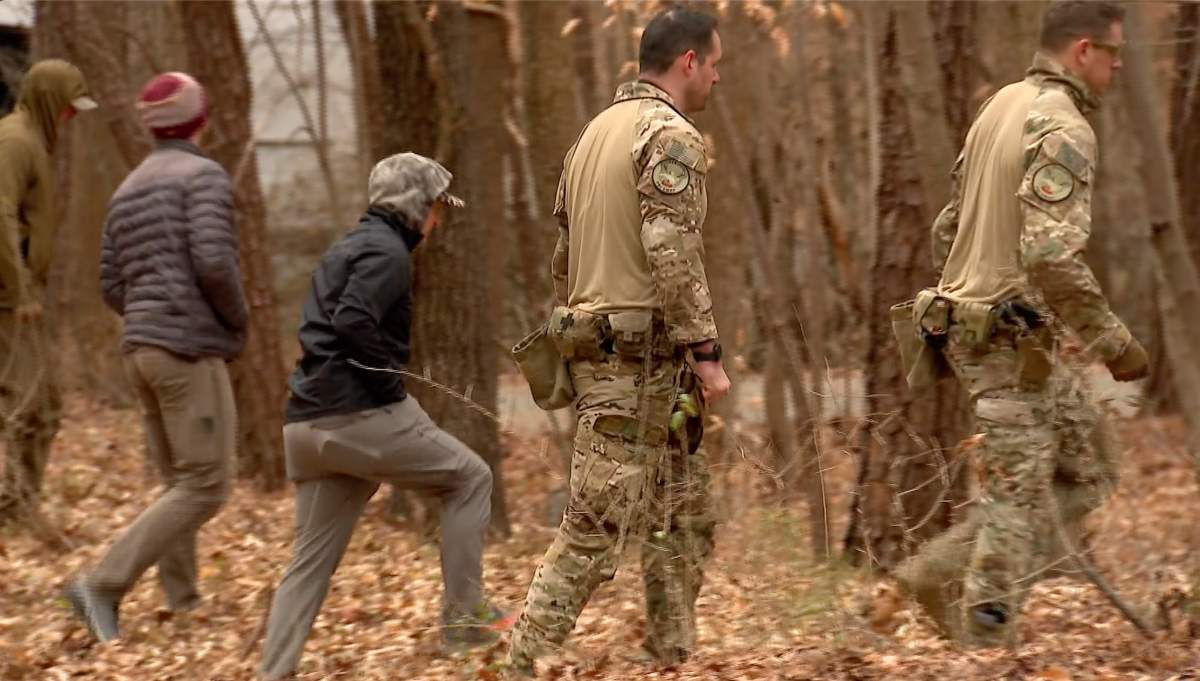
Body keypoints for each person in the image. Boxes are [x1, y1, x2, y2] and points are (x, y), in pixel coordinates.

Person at [893, 0, 1145, 647]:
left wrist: (975, 288)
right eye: (1114, 53)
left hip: (996, 333)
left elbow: (947, 226)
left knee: (1092, 466)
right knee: (1019, 498)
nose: (1119, 66)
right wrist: (1115, 344)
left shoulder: (1000, 104)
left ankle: (938, 572)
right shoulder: (1063, 126)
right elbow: (1051, 255)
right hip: (1003, 337)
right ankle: (984, 645)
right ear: (1083, 50)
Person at [506, 7, 731, 674]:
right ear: (687, 61)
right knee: (593, 531)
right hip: (639, 368)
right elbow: (671, 251)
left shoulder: (592, 136)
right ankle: (517, 665)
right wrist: (707, 352)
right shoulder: (669, 135)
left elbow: (563, 261)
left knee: (685, 517)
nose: (717, 78)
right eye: (714, 63)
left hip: (620, 359)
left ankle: (669, 658)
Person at [259, 152, 506, 681]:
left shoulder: (346, 247)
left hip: (306, 425)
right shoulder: (388, 253)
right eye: (436, 208)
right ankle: (464, 624)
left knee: (307, 566)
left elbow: (332, 322)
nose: (438, 221)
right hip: (358, 415)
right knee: (471, 478)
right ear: (415, 207)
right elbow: (352, 323)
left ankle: (271, 674)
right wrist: (389, 389)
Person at [65, 72, 245, 642]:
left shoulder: (128, 188)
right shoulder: (203, 177)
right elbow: (215, 263)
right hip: (185, 350)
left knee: (178, 480)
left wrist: (147, 313)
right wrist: (236, 321)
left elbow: (110, 284)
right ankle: (102, 585)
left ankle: (183, 602)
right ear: (199, 119)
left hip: (140, 350)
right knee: (207, 483)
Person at [0, 60, 96, 523]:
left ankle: (20, 509)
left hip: (22, 297)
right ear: (47, 100)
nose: (71, 118)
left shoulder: (33, 141)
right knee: (26, 405)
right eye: (67, 107)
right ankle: (14, 512)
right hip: (8, 300)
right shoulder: (14, 141)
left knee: (44, 407)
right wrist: (19, 291)